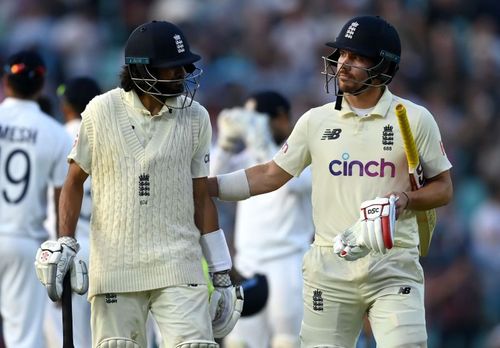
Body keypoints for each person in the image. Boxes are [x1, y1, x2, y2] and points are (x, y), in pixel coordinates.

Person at [208, 15, 453, 348]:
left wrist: (405, 200)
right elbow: (270, 174)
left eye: (356, 56)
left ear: (384, 66)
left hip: (393, 266)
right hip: (329, 267)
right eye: (341, 55)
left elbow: (443, 187)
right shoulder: (315, 120)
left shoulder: (413, 118)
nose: (343, 63)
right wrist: (208, 187)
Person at [34, 20, 243, 348]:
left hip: (179, 263)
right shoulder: (100, 112)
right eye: (171, 69)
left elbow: (201, 198)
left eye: (183, 68)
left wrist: (220, 272)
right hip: (116, 266)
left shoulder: (195, 117)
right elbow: (73, 182)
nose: (181, 76)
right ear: (140, 71)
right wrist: (65, 241)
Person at [211, 91, 314, 348]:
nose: (254, 130)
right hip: (247, 265)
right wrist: (225, 144)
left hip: (288, 263)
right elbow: (208, 181)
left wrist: (260, 139)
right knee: (239, 342)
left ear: (282, 119)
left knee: (288, 341)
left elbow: (290, 184)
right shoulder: (247, 158)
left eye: (261, 122)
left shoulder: (307, 157)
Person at [0, 50, 72, 348]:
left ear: (6, 81)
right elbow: (61, 201)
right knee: (24, 340)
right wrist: (61, 255)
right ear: (42, 86)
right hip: (24, 241)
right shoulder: (56, 134)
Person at [44, 76, 101, 348]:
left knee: (67, 339)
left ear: (65, 105)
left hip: (68, 244)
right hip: (106, 248)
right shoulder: (110, 133)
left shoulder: (56, 136)